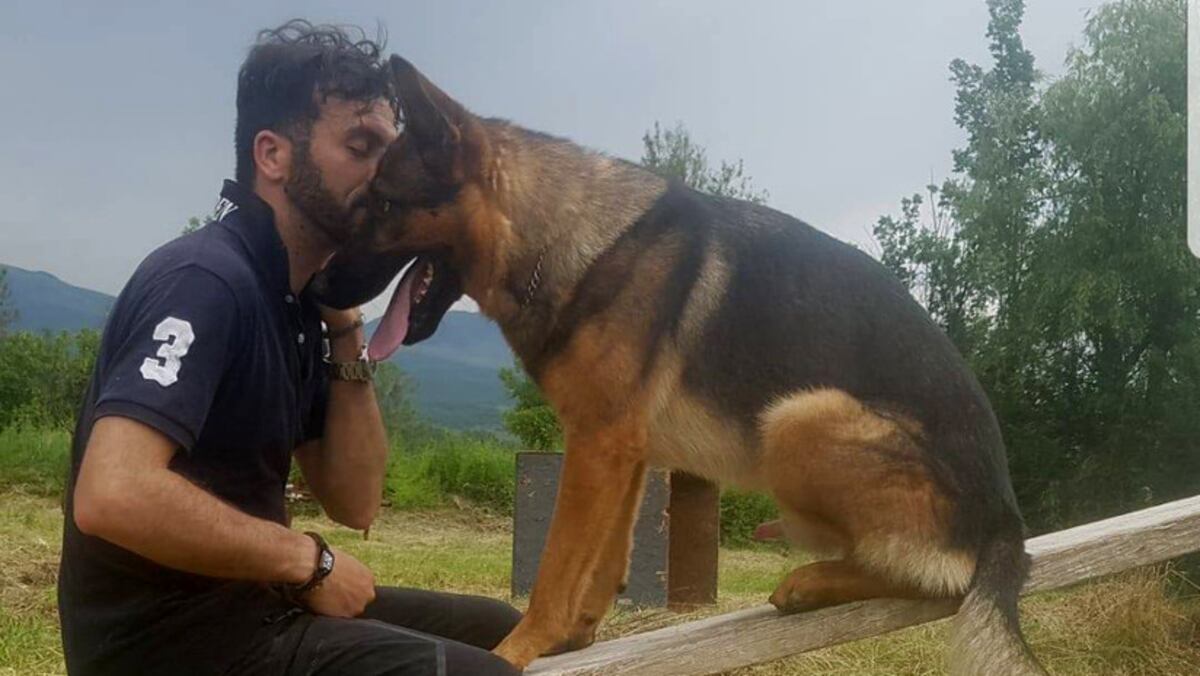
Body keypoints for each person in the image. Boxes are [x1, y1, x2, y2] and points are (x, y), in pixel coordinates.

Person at [57, 20, 521, 676]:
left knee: (511, 632)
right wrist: (308, 561)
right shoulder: (207, 280)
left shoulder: (298, 304)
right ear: (272, 156)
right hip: (170, 646)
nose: (383, 172)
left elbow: (355, 500)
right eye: (360, 145)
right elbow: (113, 492)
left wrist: (344, 325)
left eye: (390, 150)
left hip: (263, 610)